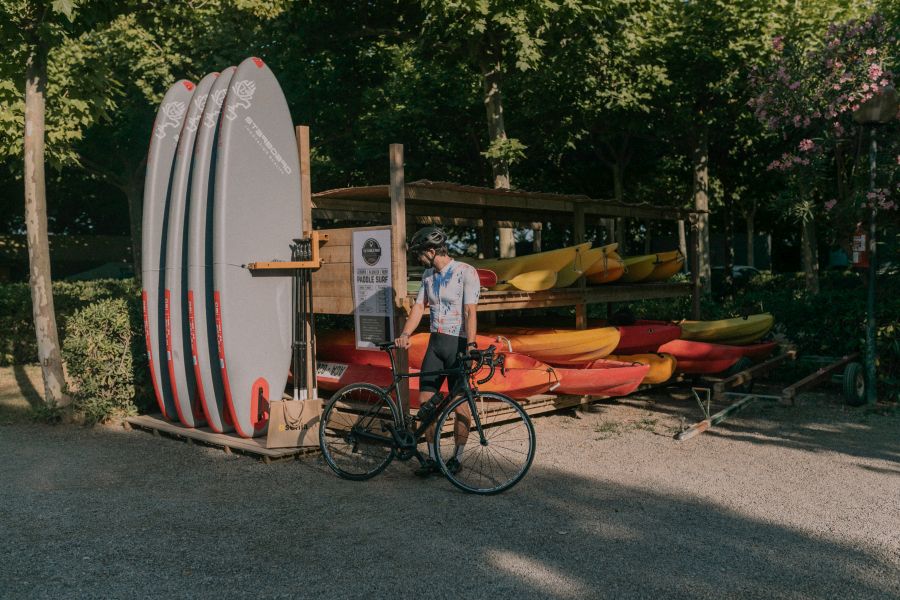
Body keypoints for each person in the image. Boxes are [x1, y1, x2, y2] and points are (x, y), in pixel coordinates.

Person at [394, 226, 480, 476]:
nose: (418, 259)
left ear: (431, 251)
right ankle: (432, 458)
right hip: (436, 345)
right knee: (425, 404)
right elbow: (419, 306)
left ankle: (457, 457)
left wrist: (472, 345)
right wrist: (405, 334)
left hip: (458, 344)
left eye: (420, 254)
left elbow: (470, 311)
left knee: (460, 404)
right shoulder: (428, 276)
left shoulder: (466, 272)